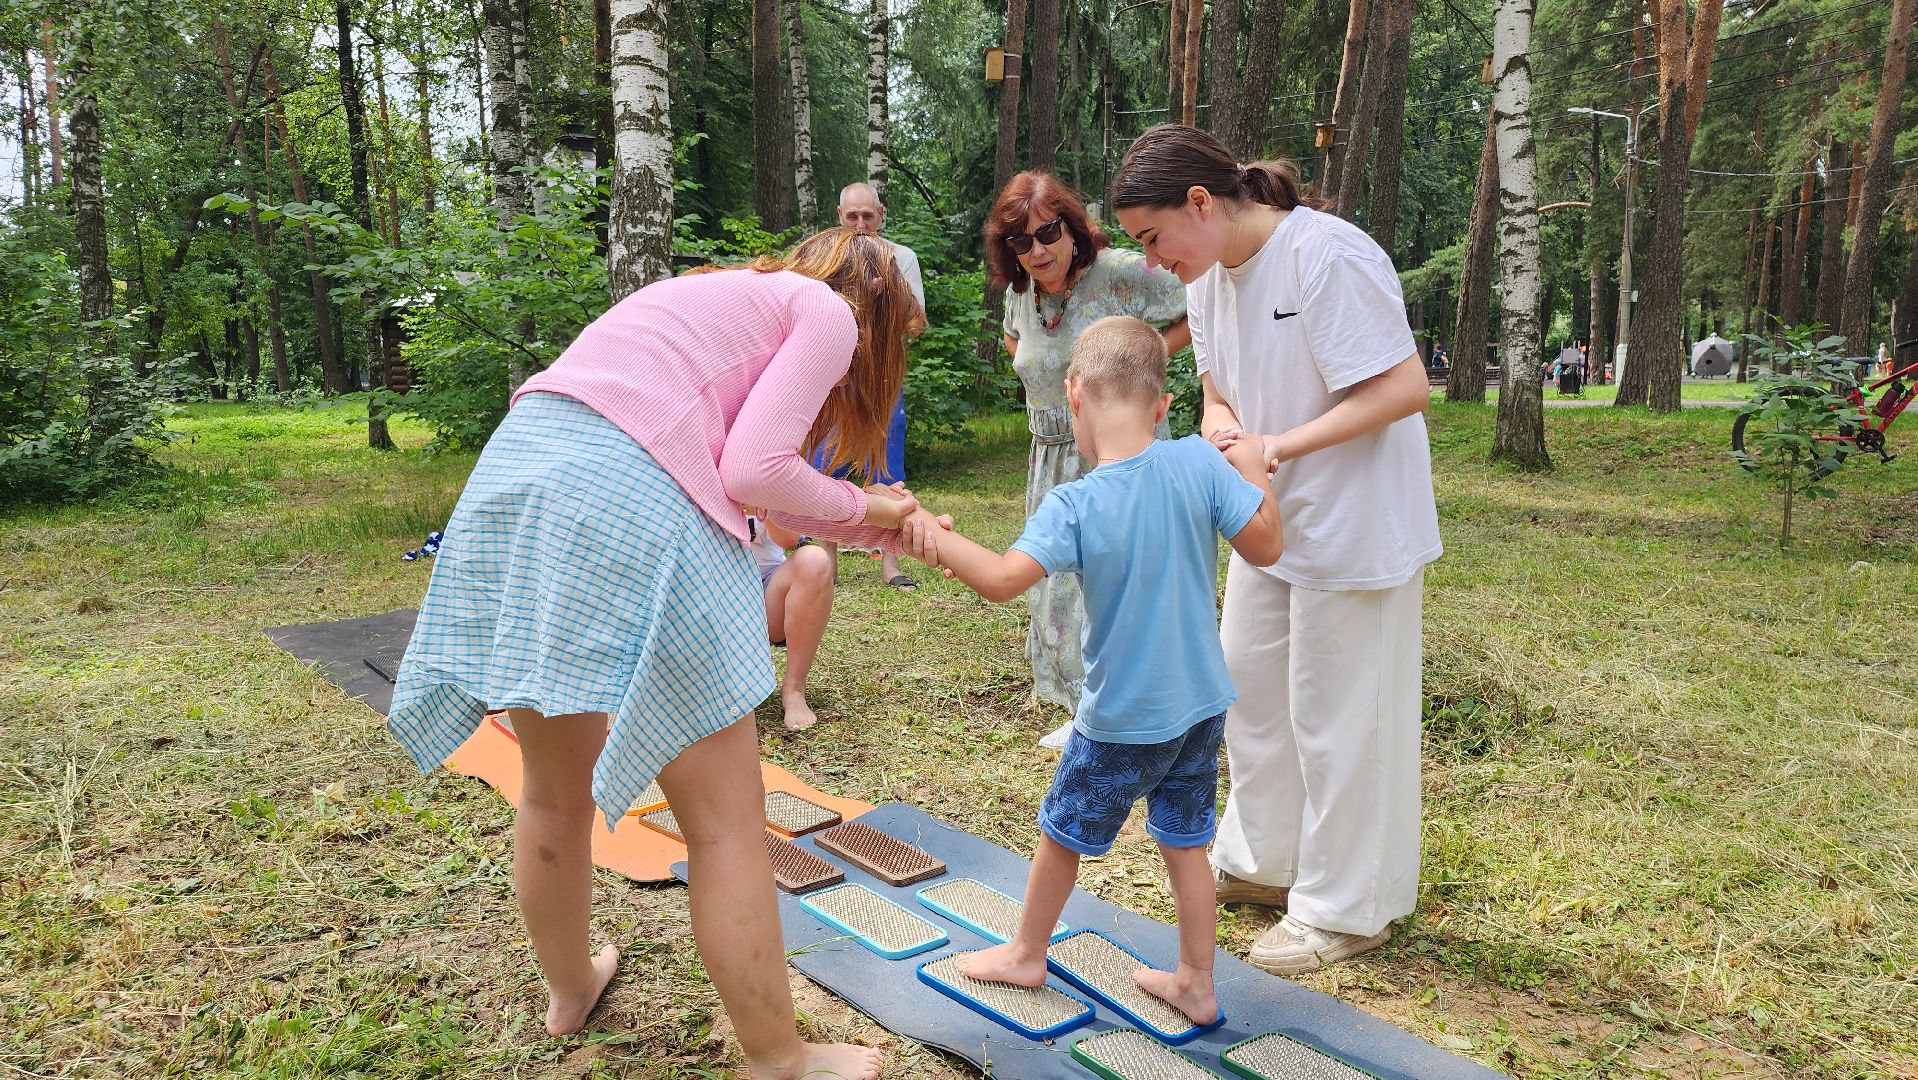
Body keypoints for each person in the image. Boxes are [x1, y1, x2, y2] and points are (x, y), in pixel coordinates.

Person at [387, 228, 944, 1078]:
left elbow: (748, 484)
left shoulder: (720, 300)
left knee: (552, 788)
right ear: (877, 304)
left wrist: (872, 516)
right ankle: (781, 1060)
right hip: (628, 491)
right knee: (725, 826)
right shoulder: (827, 314)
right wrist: (870, 506)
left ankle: (570, 990)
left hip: (518, 477)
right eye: (899, 336)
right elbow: (754, 474)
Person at [1113, 125, 1441, 976]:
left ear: (1199, 203)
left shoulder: (1326, 255)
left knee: (1340, 716)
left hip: (1354, 522)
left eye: (1152, 238)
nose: (1151, 261)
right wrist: (1225, 433)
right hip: (1268, 519)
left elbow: (1404, 386)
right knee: (1249, 688)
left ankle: (1347, 908)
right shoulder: (1212, 282)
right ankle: (1264, 862)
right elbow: (1218, 391)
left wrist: (1279, 447)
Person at [904, 316, 1282, 1025]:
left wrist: (934, 539)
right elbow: (1267, 546)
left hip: (1121, 720)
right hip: (1202, 708)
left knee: (1062, 831)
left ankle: (1025, 952)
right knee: (1186, 841)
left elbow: (1001, 581)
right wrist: (1254, 469)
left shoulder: (1074, 503)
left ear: (1074, 394)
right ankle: (1197, 982)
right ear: (1163, 403)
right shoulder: (1201, 462)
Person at [987, 171, 1192, 749]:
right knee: (1055, 580)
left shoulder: (1121, 274)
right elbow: (1019, 345)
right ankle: (1074, 697)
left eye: (1046, 233)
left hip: (1118, 455)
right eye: (1021, 243)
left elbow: (1195, 304)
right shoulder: (1020, 296)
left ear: (1070, 227)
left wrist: (1140, 366)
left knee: (1113, 580)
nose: (1038, 251)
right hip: (1050, 454)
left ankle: (1117, 708)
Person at [809, 183, 927, 593]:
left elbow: (914, 321)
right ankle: (826, 561)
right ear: (839, 215)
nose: (860, 224)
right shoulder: (828, 257)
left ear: (881, 214)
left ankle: (890, 563)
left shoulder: (902, 258)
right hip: (833, 373)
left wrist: (883, 298)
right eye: (851, 216)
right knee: (824, 460)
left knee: (887, 462)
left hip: (882, 378)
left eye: (868, 216)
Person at [746, 512, 835, 732]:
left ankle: (794, 689)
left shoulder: (763, 480)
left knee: (814, 560)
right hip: (711, 594)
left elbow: (789, 540)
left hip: (766, 593)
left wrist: (762, 506)